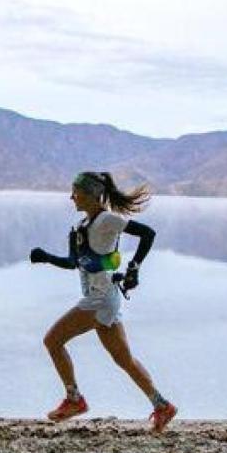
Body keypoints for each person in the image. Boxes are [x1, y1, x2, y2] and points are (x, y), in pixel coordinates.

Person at [29, 171, 177, 433]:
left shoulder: (107, 219)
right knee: (124, 359)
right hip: (102, 298)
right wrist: (46, 257)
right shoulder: (80, 228)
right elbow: (73, 263)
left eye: (75, 192)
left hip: (101, 299)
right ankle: (162, 405)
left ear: (89, 195)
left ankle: (74, 400)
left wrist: (135, 267)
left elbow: (147, 234)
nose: (71, 197)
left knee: (52, 341)